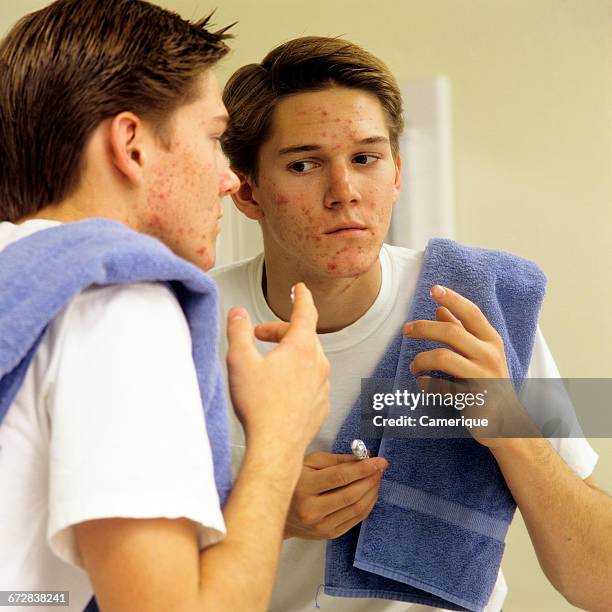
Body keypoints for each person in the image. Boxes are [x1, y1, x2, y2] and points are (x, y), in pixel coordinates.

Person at [215, 36, 612, 611]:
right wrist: (265, 510)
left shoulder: (479, 311)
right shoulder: (187, 324)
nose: (344, 192)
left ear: (396, 173)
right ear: (248, 191)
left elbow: (601, 585)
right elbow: (114, 570)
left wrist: (512, 429)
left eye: (366, 159)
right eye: (304, 164)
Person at [0, 3, 330, 611]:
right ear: (132, 145)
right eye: (212, 139)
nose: (228, 179)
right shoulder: (119, 305)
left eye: (368, 156)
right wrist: (281, 437)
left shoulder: (19, 281)